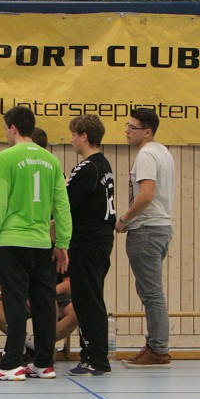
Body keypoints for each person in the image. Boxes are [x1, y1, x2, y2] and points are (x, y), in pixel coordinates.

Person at [0, 106, 71, 381]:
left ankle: (10, 364)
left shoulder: (6, 158)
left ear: (12, 128)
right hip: (42, 242)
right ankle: (43, 362)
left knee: (15, 301)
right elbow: (62, 205)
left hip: (13, 240)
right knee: (45, 302)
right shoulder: (51, 161)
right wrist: (63, 241)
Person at [116, 108, 174, 368]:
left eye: (133, 127)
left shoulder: (147, 155)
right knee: (151, 292)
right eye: (127, 126)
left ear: (147, 131)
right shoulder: (163, 151)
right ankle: (154, 344)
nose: (127, 131)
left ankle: (158, 349)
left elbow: (146, 195)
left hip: (147, 230)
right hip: (160, 228)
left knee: (151, 293)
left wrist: (125, 219)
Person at [65, 115, 116, 375]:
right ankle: (91, 355)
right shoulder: (103, 164)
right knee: (88, 299)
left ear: (85, 135)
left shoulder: (87, 168)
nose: (71, 139)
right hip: (100, 239)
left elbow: (65, 202)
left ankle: (96, 358)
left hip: (88, 241)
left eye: (74, 134)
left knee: (88, 300)